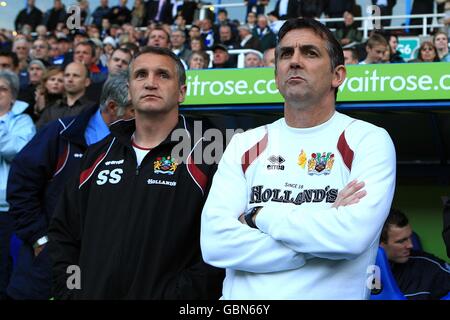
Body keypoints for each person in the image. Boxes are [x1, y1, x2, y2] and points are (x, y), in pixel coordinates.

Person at [200, 18, 396, 300]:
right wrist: (324, 228)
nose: (294, 61)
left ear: (337, 75)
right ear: (276, 73)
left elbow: (350, 237)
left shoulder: (369, 140)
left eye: (310, 53)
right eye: (285, 54)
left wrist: (258, 216)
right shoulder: (244, 143)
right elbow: (215, 244)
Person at [48, 46, 224, 299]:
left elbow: (221, 243)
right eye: (141, 75)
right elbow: (64, 232)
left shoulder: (208, 155)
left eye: (163, 75)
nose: (150, 83)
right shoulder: (95, 156)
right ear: (130, 89)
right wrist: (71, 292)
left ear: (182, 92)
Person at [6, 73, 133, 300]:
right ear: (113, 107)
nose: (143, 116)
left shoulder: (137, 143)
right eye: (134, 109)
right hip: (48, 267)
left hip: (105, 266)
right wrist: (40, 238)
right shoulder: (61, 133)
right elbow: (21, 185)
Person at [0, 70, 35, 300]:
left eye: (2, 89)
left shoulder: (23, 121)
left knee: (4, 268)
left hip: (7, 209)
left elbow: (15, 150)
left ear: (13, 96)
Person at [380, 208, 450, 300]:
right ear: (379, 243)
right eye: (401, 241)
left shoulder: (429, 267)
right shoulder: (359, 271)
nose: (410, 245)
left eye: (410, 237)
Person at [36, 62, 94, 129]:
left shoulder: (93, 109)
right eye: (67, 75)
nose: (70, 79)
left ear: (87, 82)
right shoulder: (51, 109)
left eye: (75, 75)